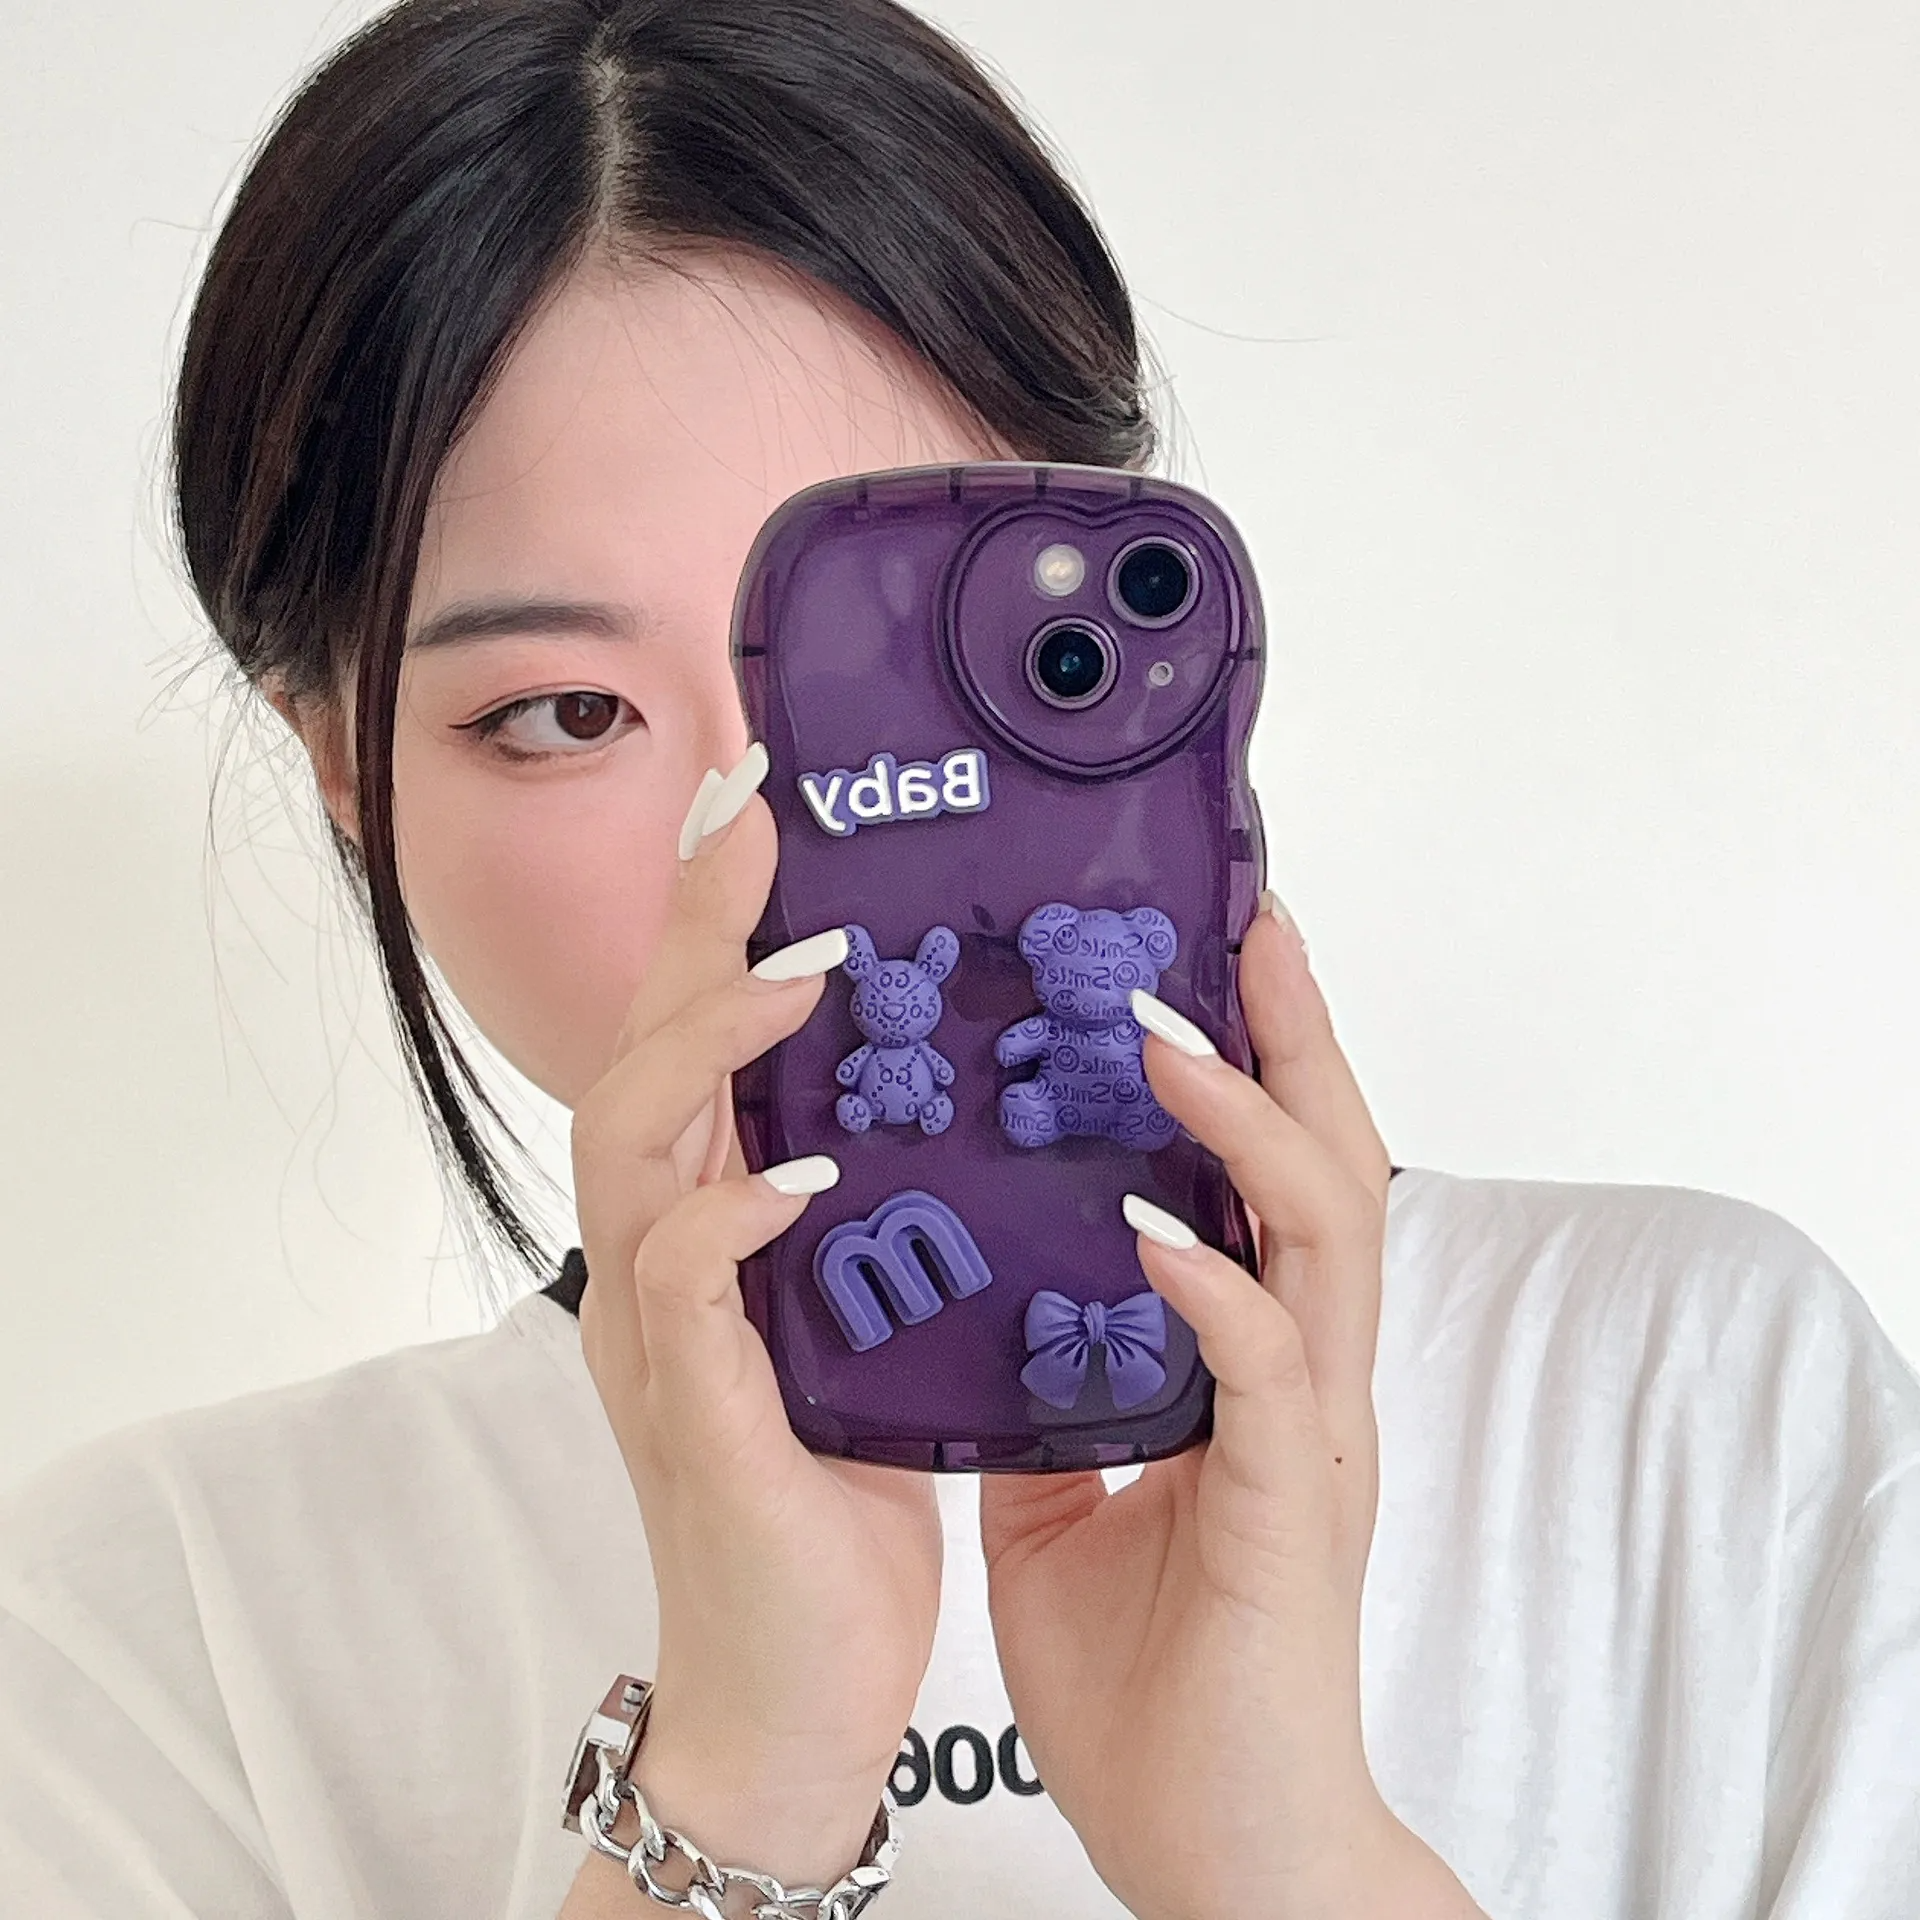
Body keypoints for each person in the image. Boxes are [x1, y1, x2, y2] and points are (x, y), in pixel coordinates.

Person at [4, 1, 1918, 1914]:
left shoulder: (1696, 1406)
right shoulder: (166, 1628)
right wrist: (743, 1779)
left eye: (872, 684)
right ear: (346, 770)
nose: (762, 845)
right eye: (571, 713)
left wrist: (1287, 1862)